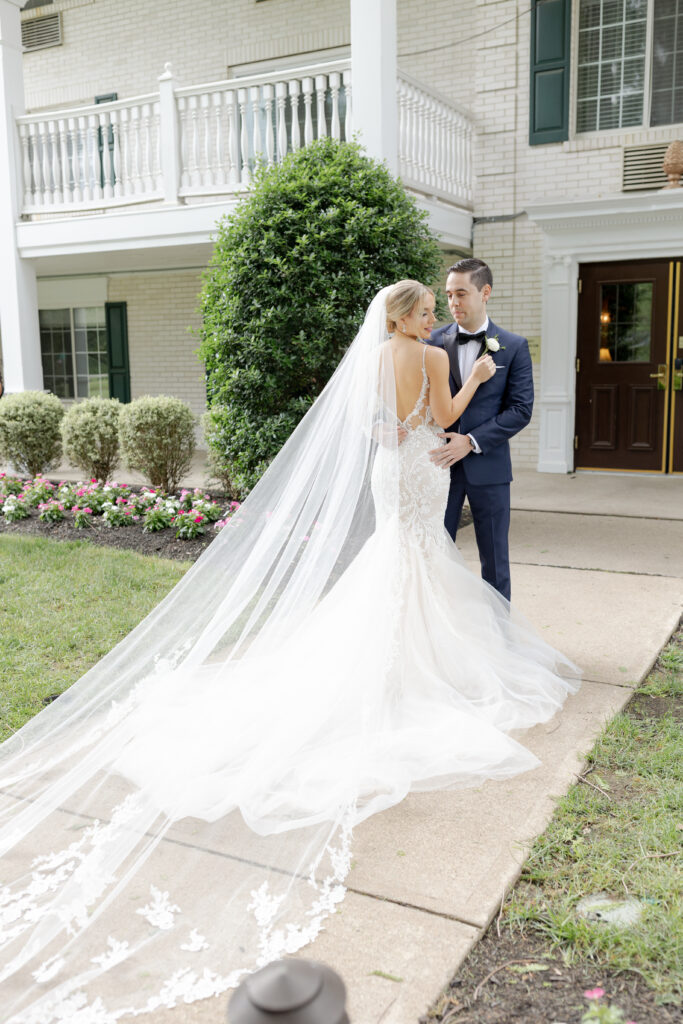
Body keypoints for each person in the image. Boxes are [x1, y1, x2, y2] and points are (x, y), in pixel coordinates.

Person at [0, 282, 578, 1024]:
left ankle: (395, 652)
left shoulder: (374, 354)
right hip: (417, 468)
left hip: (388, 465)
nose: (435, 317)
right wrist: (470, 380)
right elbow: (446, 419)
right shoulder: (431, 358)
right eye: (426, 310)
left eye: (440, 309)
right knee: (414, 559)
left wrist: (393, 426)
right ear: (403, 315)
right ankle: (411, 667)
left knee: (395, 561)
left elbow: (375, 421)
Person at [428, 258, 534, 601]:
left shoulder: (514, 346)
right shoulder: (431, 341)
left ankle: (499, 641)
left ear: (485, 292)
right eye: (448, 295)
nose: (453, 303)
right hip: (436, 464)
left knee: (495, 561)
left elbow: (520, 410)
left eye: (461, 293)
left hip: (488, 468)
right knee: (432, 553)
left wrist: (471, 441)